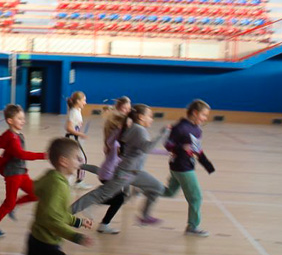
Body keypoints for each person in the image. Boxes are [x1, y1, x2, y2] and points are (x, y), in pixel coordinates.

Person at [24, 137, 93, 255]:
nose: (81, 162)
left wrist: (77, 221)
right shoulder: (59, 185)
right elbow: (51, 219)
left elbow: (55, 211)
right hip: (47, 244)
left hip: (35, 238)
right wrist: (76, 236)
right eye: (78, 158)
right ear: (64, 161)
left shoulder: (52, 177)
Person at [70, 104, 168, 225]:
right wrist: (163, 134)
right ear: (141, 117)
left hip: (135, 173)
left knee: (157, 187)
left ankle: (145, 216)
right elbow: (147, 148)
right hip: (125, 173)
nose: (152, 119)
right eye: (150, 116)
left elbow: (143, 148)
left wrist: (166, 152)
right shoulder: (138, 130)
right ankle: (67, 213)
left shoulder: (135, 129)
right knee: (100, 195)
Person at [0, 104, 47, 238]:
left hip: (22, 173)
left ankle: (13, 206)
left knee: (36, 194)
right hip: (13, 174)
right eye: (19, 118)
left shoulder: (15, 135)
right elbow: (21, 154)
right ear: (10, 121)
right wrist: (42, 155)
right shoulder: (12, 137)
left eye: (23, 118)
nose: (23, 121)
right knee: (9, 202)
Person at [162, 99, 214, 237]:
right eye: (203, 115)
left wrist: (208, 166)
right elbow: (168, 144)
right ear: (195, 113)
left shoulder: (197, 129)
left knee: (169, 192)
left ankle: (144, 189)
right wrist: (181, 148)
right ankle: (192, 227)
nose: (205, 118)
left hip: (182, 166)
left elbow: (197, 150)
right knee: (196, 197)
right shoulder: (180, 127)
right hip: (181, 167)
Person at [81, 110, 129, 234]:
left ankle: (103, 222)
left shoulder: (112, 139)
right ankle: (96, 210)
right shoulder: (116, 142)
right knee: (119, 199)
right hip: (108, 175)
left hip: (107, 173)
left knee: (118, 198)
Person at [64, 91, 90, 188]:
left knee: (76, 159)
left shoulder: (77, 110)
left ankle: (71, 179)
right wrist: (80, 134)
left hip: (74, 137)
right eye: (84, 100)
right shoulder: (74, 112)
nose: (85, 103)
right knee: (81, 159)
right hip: (72, 138)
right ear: (78, 101)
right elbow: (69, 128)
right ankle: (79, 182)